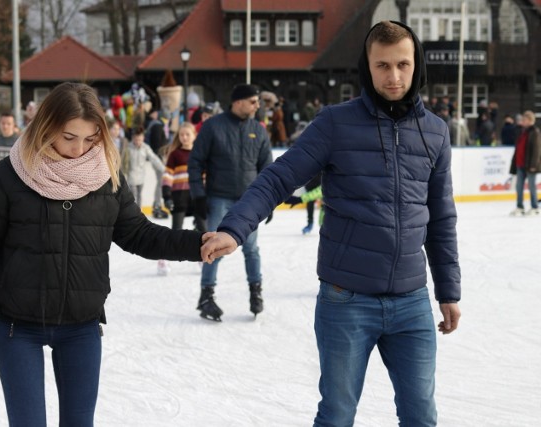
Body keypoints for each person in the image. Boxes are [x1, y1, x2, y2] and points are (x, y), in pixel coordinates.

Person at [200, 21, 461, 426]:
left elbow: (441, 217)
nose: (393, 76)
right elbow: (278, 177)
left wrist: (448, 289)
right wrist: (236, 228)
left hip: (412, 302)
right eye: (382, 66)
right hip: (348, 300)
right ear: (367, 68)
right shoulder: (336, 123)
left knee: (422, 416)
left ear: (417, 65)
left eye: (403, 65)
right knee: (337, 415)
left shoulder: (435, 132)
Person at [0, 82, 212, 426]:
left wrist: (196, 243)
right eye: (68, 137)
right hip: (18, 328)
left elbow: (139, 235)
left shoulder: (106, 177)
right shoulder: (9, 176)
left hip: (81, 328)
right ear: (46, 126)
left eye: (89, 138)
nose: (78, 148)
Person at [188, 83, 273, 321]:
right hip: (218, 198)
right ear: (238, 102)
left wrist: (268, 201)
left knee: (251, 249)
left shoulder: (258, 129)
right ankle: (206, 296)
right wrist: (199, 196)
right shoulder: (213, 127)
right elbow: (195, 162)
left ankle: (256, 293)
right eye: (253, 101)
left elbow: (267, 169)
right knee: (213, 248)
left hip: (249, 202)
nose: (258, 106)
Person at [156, 122, 205, 275]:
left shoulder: (200, 154)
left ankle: (203, 259)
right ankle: (163, 258)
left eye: (187, 134)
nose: (184, 137)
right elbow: (167, 176)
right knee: (176, 230)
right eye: (181, 135)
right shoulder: (175, 154)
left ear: (194, 136)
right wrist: (166, 195)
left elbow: (205, 176)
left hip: (197, 197)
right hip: (179, 197)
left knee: (203, 229)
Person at [509, 110, 541, 216]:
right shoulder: (522, 132)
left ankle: (535, 207)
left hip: (530, 165)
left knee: (532, 186)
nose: (522, 121)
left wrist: (533, 165)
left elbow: (537, 150)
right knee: (519, 187)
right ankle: (520, 207)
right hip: (520, 164)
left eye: (525, 119)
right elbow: (518, 148)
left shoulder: (535, 132)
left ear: (530, 120)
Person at [124, 126, 165, 208]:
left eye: (139, 139)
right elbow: (123, 163)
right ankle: (133, 214)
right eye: (136, 140)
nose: (138, 142)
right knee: (133, 196)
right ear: (133, 138)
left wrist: (163, 169)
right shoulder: (128, 148)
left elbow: (154, 158)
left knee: (139, 196)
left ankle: (138, 213)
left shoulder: (145, 148)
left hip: (141, 177)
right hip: (131, 177)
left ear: (143, 138)